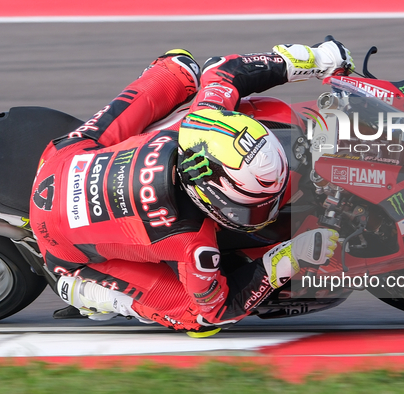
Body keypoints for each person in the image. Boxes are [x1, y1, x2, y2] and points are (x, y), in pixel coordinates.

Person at [30, 38, 354, 336]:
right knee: (196, 320)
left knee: (181, 67)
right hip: (61, 248)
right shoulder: (193, 245)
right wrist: (290, 256)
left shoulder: (203, 119)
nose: (266, 209)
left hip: (63, 157)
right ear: (214, 201)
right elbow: (217, 311)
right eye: (254, 204)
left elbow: (224, 70)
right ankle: (88, 292)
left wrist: (312, 59)